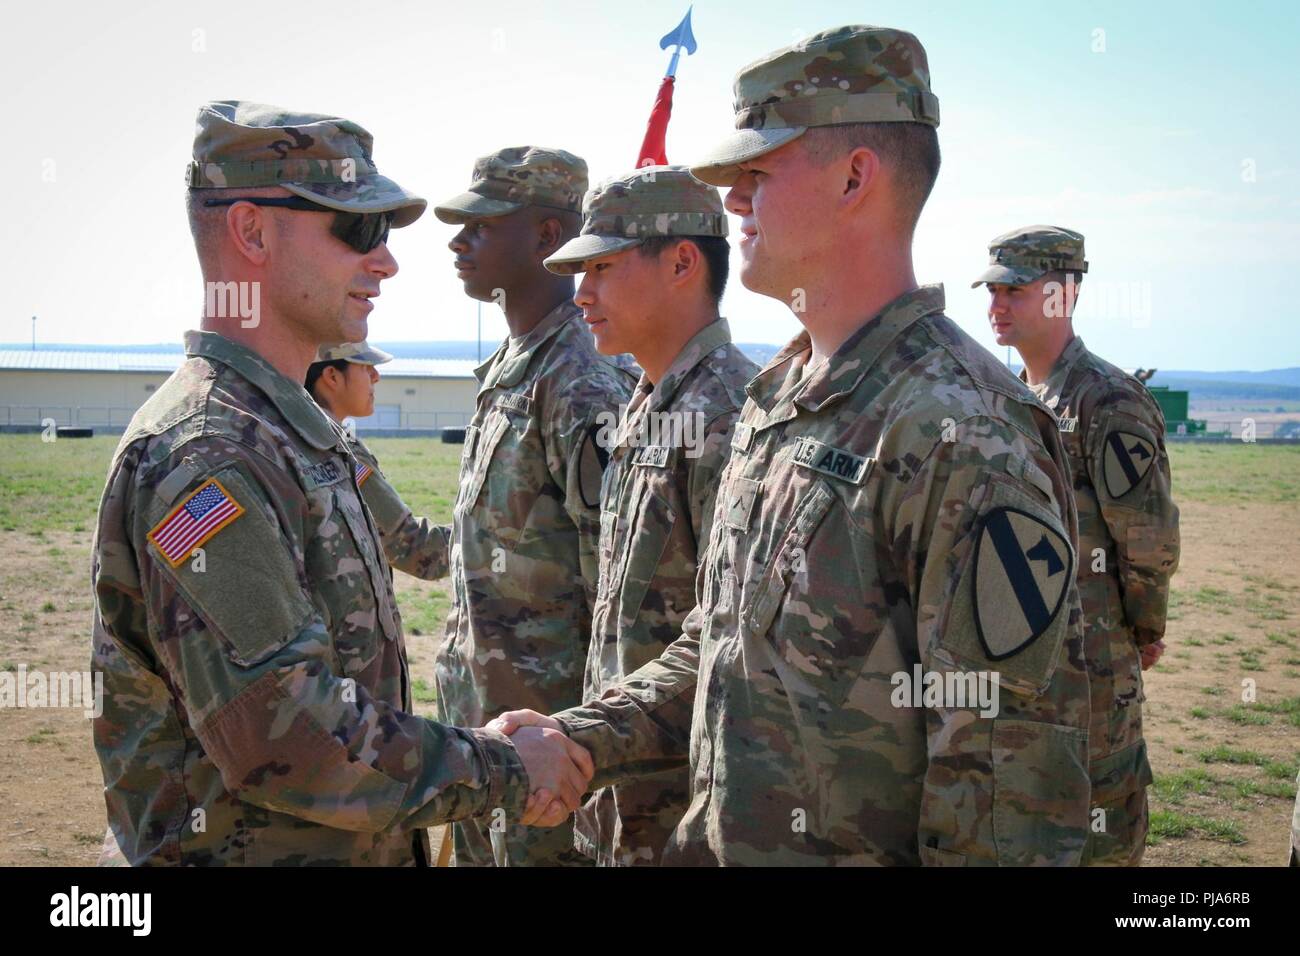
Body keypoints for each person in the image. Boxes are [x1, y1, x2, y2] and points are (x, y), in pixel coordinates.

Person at [494, 25, 1093, 866]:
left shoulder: (961, 431)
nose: (732, 200)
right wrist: (580, 737)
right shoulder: (779, 401)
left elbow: (1007, 803)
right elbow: (718, 646)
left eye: (758, 172)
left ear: (855, 177)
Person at [90, 101, 592, 866]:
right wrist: (505, 767)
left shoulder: (287, 433)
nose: (386, 261)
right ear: (252, 232)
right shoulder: (207, 455)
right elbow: (289, 735)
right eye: (357, 231)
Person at [541, 166, 758, 864]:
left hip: (687, 813)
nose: (582, 294)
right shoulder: (649, 404)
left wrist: (583, 738)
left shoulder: (728, 414)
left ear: (682, 263)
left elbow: (731, 646)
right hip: (625, 801)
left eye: (602, 267)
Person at [432, 146, 637, 865]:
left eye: (481, 225)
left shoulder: (581, 376)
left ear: (548, 237)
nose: (459, 241)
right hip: (481, 731)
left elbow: (614, 584)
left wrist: (582, 737)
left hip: (546, 744)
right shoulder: (515, 365)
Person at [974, 225, 1180, 865]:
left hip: (1094, 670)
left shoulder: (1107, 400)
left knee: (1100, 829)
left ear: (1063, 295)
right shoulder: (1007, 399)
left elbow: (1148, 540)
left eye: (1013, 289)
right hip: (1025, 670)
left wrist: (1145, 629)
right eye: (992, 290)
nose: (996, 305)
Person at [307, 341, 449, 579]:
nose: (376, 376)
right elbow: (415, 549)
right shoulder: (339, 449)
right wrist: (494, 540)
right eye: (365, 367)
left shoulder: (293, 434)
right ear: (332, 376)